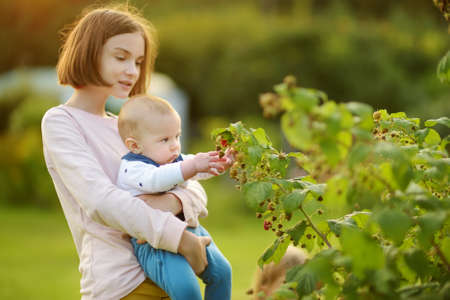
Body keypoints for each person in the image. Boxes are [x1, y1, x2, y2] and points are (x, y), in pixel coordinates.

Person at [41, 5, 231, 300]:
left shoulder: (126, 129)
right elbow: (102, 202)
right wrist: (178, 237)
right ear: (89, 52)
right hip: (122, 284)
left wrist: (168, 201)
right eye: (121, 57)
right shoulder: (61, 122)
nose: (133, 71)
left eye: (139, 61)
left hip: (171, 273)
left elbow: (192, 188)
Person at [116, 94, 232, 300]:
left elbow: (196, 169)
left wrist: (218, 164)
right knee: (186, 289)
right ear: (135, 146)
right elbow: (156, 180)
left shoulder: (173, 159)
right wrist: (191, 166)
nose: (174, 145)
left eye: (177, 136)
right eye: (164, 139)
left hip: (191, 229)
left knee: (222, 272)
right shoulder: (132, 168)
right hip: (156, 242)